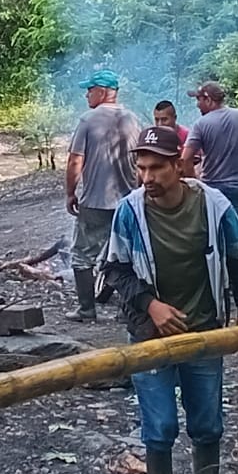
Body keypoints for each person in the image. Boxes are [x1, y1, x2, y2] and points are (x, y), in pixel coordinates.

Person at [100, 125, 238, 474]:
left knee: (207, 421)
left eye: (156, 168)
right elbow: (115, 270)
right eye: (141, 169)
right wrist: (150, 304)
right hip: (149, 335)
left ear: (179, 166)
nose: (147, 178)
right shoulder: (130, 212)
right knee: (160, 424)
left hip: (204, 330)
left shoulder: (213, 205)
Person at [183, 81, 238, 298]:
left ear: (209, 99)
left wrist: (195, 183)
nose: (197, 104)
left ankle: (227, 283)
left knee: (218, 235)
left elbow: (185, 158)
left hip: (215, 189)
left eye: (199, 99)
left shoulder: (201, 125)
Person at [65, 69, 140, 322]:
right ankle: (126, 310)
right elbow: (140, 161)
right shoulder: (132, 119)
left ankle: (87, 309)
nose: (87, 94)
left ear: (103, 92)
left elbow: (76, 160)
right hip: (127, 201)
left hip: (95, 202)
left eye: (90, 89)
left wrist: (70, 193)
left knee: (82, 255)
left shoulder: (88, 120)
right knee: (128, 255)